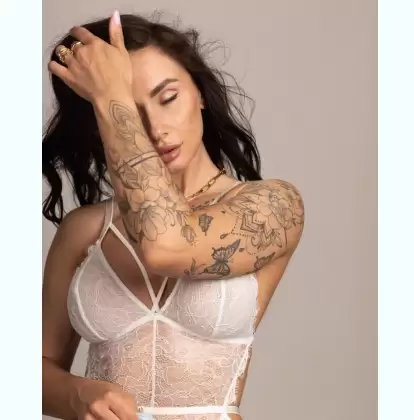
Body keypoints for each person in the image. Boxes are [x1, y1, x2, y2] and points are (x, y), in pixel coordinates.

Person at [42, 10, 305, 420]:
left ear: (199, 93)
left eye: (167, 98)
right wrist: (77, 394)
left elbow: (164, 246)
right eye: (130, 111)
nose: (155, 129)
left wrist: (111, 95)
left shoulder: (272, 206)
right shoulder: (84, 230)